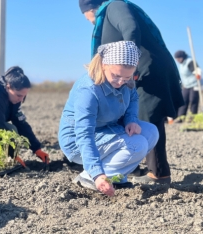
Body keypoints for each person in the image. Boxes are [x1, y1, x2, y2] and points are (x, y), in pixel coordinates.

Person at [78, 0, 184, 184]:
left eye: (89, 19)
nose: (91, 23)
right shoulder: (109, 12)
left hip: (147, 70)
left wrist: (130, 66)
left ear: (90, 8)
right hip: (143, 69)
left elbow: (131, 28)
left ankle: (158, 174)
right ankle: (133, 166)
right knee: (134, 115)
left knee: (150, 116)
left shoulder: (115, 6)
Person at [58, 41, 159, 196]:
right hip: (77, 142)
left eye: (126, 78)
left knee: (151, 132)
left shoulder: (126, 79)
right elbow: (84, 134)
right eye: (116, 76)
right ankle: (91, 176)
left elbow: (133, 97)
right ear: (104, 64)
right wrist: (97, 173)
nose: (121, 82)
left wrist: (131, 119)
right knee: (137, 145)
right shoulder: (89, 90)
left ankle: (116, 177)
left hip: (107, 128)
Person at [173, 50, 203, 123]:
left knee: (193, 100)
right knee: (183, 101)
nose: (177, 60)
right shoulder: (181, 64)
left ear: (182, 57)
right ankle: (181, 117)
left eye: (178, 58)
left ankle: (193, 117)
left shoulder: (190, 62)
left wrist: (198, 74)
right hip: (187, 85)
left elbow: (197, 70)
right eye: (176, 59)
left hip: (195, 84)